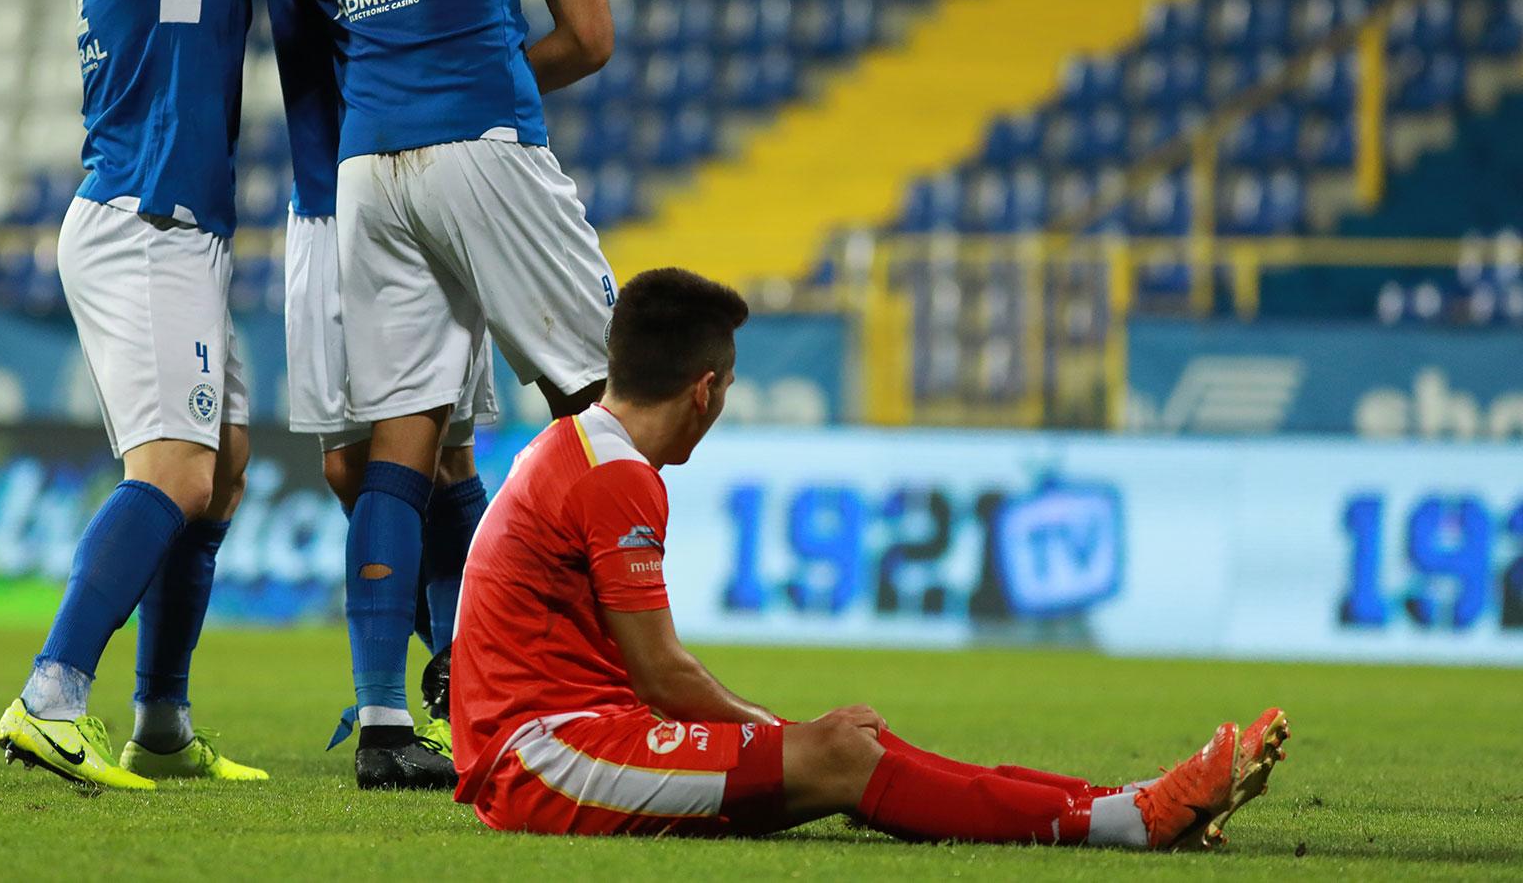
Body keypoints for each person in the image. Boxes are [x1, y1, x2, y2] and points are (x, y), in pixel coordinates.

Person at [0, 0, 480, 791]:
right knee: (172, 471)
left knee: (220, 480)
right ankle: (49, 695)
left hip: (180, 225)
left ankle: (159, 720)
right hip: (144, 217)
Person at [451, 266, 1291, 846]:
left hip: (569, 740)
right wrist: (789, 735)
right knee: (843, 752)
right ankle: (1131, 819)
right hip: (545, 760)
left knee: (858, 746)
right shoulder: (617, 478)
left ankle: (1128, 806)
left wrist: (803, 741)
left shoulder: (575, 448)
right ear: (705, 388)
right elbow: (663, 675)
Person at [273, 0, 619, 791]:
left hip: (367, 168)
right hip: (479, 133)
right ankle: (610, 665)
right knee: (606, 402)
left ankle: (385, 714)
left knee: (400, 446)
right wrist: (496, 72)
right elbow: (591, 33)